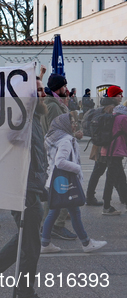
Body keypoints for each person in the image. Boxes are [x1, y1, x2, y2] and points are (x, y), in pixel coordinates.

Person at [0, 77, 53, 298]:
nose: (43, 95)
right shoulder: (22, 118)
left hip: (32, 187)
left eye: (43, 90)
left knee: (26, 238)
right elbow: (10, 140)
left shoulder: (36, 117)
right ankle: (25, 294)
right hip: (23, 189)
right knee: (31, 244)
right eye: (38, 91)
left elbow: (36, 156)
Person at [41, 113, 107, 254]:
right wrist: (77, 168)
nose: (74, 124)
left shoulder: (52, 136)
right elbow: (60, 161)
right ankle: (86, 243)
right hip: (63, 181)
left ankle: (45, 243)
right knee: (72, 212)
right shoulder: (65, 140)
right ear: (64, 124)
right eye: (72, 122)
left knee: (56, 212)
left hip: (55, 180)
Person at [43, 74, 77, 241]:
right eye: (65, 86)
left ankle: (50, 225)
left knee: (58, 191)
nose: (67, 89)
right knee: (62, 190)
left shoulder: (53, 103)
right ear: (59, 87)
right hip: (58, 153)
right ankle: (56, 226)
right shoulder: (55, 106)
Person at [84, 85, 124, 207]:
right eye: (119, 95)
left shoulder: (102, 107)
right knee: (114, 173)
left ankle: (90, 197)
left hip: (100, 145)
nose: (121, 97)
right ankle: (120, 198)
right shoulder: (111, 109)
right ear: (112, 96)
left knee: (102, 172)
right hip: (107, 145)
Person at [100, 103, 127, 215]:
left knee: (121, 179)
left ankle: (125, 202)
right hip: (116, 151)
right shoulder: (123, 118)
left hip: (108, 150)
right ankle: (106, 207)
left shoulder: (113, 115)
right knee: (111, 180)